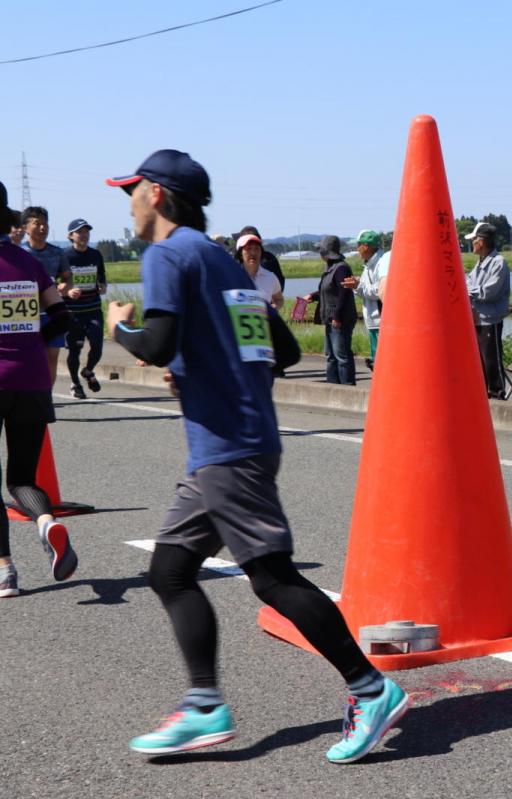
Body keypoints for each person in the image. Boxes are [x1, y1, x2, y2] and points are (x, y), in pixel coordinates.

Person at [104, 150, 406, 762]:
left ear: (157, 195)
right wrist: (206, 372)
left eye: (131, 190)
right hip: (237, 441)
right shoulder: (220, 260)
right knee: (169, 571)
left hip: (227, 450)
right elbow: (285, 351)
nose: (127, 202)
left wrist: (120, 328)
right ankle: (205, 706)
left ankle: (371, 688)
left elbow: (156, 343)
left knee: (271, 578)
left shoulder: (166, 254)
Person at [0, 181, 79, 598]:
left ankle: (5, 571)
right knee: (22, 479)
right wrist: (32, 338)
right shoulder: (30, 265)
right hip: (32, 380)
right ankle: (48, 524)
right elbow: (62, 319)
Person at [20, 206, 70, 379]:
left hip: (51, 313)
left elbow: (67, 278)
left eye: (45, 223)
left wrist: (65, 286)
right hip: (25, 315)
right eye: (37, 223)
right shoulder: (19, 253)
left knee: (52, 357)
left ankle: (47, 396)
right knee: (29, 358)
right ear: (25, 227)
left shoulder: (57, 253)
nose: (43, 227)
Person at [63, 218, 107, 400]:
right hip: (73, 312)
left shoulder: (95, 255)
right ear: (71, 236)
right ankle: (75, 383)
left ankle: (88, 371)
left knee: (97, 346)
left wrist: (103, 286)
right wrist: (67, 290)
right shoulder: (64, 256)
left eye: (86, 231)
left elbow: (102, 276)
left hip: (93, 309)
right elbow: (56, 282)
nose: (84, 235)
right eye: (80, 232)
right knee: (75, 350)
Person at [464, 222, 510, 399]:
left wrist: (467, 290)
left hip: (491, 319)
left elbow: (488, 292)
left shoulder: (499, 263)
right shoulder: (480, 262)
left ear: (481, 242)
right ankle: (484, 395)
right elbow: (469, 285)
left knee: (492, 360)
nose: (472, 243)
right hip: (477, 318)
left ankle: (497, 393)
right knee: (480, 360)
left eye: (474, 239)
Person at [305, 235, 357, 385]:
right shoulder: (330, 268)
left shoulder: (341, 268)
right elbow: (326, 291)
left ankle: (347, 388)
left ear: (326, 252)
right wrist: (312, 296)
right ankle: (333, 387)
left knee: (341, 355)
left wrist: (337, 317)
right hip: (330, 318)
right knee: (330, 355)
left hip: (339, 319)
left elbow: (344, 293)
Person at [341, 229, 388, 370]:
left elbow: (380, 290)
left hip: (380, 319)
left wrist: (357, 285)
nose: (357, 248)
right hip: (373, 319)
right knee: (378, 359)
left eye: (358, 245)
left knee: (382, 360)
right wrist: (356, 284)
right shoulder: (369, 263)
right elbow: (365, 288)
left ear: (366, 246)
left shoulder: (381, 263)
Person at [234, 233, 283, 309]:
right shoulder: (231, 277)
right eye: (248, 248)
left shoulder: (270, 277)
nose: (253, 253)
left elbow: (279, 299)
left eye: (257, 248)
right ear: (240, 254)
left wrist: (273, 308)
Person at [238, 225, 285, 291]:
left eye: (255, 248)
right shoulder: (232, 273)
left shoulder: (267, 263)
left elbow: (278, 291)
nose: (253, 252)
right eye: (248, 248)